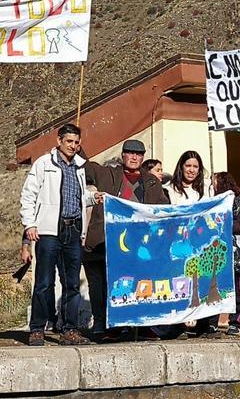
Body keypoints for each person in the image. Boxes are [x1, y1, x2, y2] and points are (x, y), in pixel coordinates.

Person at [21, 124, 101, 346]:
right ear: (59, 141)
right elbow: (29, 195)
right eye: (69, 142)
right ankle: (37, 328)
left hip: (73, 230)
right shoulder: (43, 164)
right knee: (44, 282)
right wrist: (30, 225)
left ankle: (69, 329)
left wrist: (93, 198)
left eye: (76, 142)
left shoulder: (80, 167)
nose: (73, 146)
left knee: (72, 283)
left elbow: (77, 197)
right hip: (48, 231)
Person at [83, 139, 167, 342]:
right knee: (107, 285)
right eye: (129, 153)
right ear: (123, 156)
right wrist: (77, 146)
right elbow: (85, 166)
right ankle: (107, 325)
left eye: (138, 154)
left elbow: (163, 208)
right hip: (107, 240)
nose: (134, 157)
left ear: (143, 157)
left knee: (139, 284)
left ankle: (142, 325)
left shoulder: (152, 182)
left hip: (139, 244)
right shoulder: (108, 174)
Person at [165, 150, 222, 338]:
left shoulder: (207, 189)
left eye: (195, 167)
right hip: (179, 245)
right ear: (181, 167)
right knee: (180, 283)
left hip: (202, 244)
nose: (191, 170)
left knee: (206, 281)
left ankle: (208, 325)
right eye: (188, 166)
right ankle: (178, 326)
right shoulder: (169, 189)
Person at [213, 172, 240, 335]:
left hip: (235, 253)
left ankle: (235, 321)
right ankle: (211, 322)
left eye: (214, 182)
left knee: (236, 288)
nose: (212, 185)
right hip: (216, 252)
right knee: (214, 289)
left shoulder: (239, 202)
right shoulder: (212, 202)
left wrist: (220, 225)